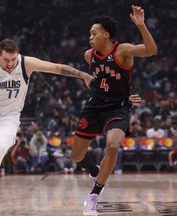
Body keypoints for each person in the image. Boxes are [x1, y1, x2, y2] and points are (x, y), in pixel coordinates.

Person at [0, 38, 94, 213]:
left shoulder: (26, 64)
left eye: (13, 59)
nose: (10, 63)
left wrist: (83, 75)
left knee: (0, 147)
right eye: (6, 60)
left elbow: (57, 68)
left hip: (9, 117)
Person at [69, 5, 157, 215]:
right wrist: (86, 78)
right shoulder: (88, 56)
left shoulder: (122, 50)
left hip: (117, 108)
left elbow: (151, 50)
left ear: (105, 34)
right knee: (76, 156)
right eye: (90, 34)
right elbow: (97, 81)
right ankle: (95, 171)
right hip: (94, 107)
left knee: (113, 145)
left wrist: (142, 26)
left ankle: (94, 196)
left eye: (93, 33)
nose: (90, 37)